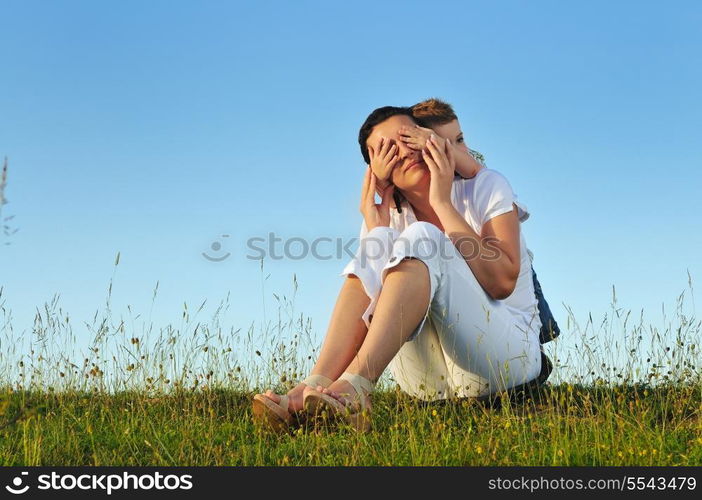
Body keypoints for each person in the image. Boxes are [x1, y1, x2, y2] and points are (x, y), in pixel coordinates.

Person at [252, 106, 542, 432]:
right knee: (377, 248)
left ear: (427, 139)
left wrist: (443, 203)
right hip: (428, 384)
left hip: (507, 361)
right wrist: (376, 227)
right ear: (376, 171)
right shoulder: (390, 215)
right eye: (387, 149)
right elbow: (366, 285)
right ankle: (314, 385)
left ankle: (356, 388)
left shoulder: (485, 186)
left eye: (408, 138)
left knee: (422, 236)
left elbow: (502, 281)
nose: (403, 151)